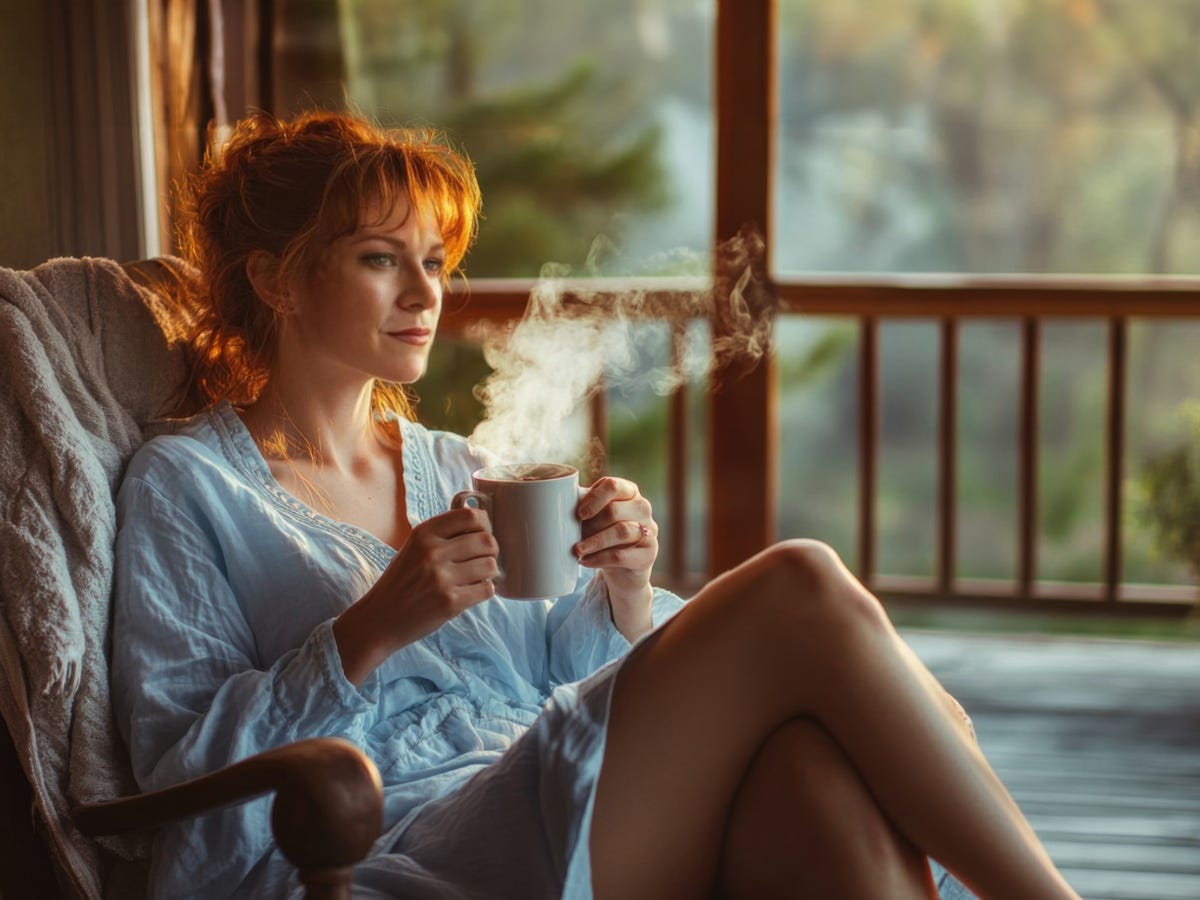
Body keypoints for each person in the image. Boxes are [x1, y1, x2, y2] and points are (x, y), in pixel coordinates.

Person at [110, 110, 1078, 900]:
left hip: (536, 794)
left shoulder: (453, 466)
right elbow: (183, 785)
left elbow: (546, 679)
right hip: (408, 850)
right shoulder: (190, 488)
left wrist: (617, 595)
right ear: (276, 278)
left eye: (435, 261)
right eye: (379, 259)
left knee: (814, 788)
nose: (424, 292)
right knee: (799, 586)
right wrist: (364, 634)